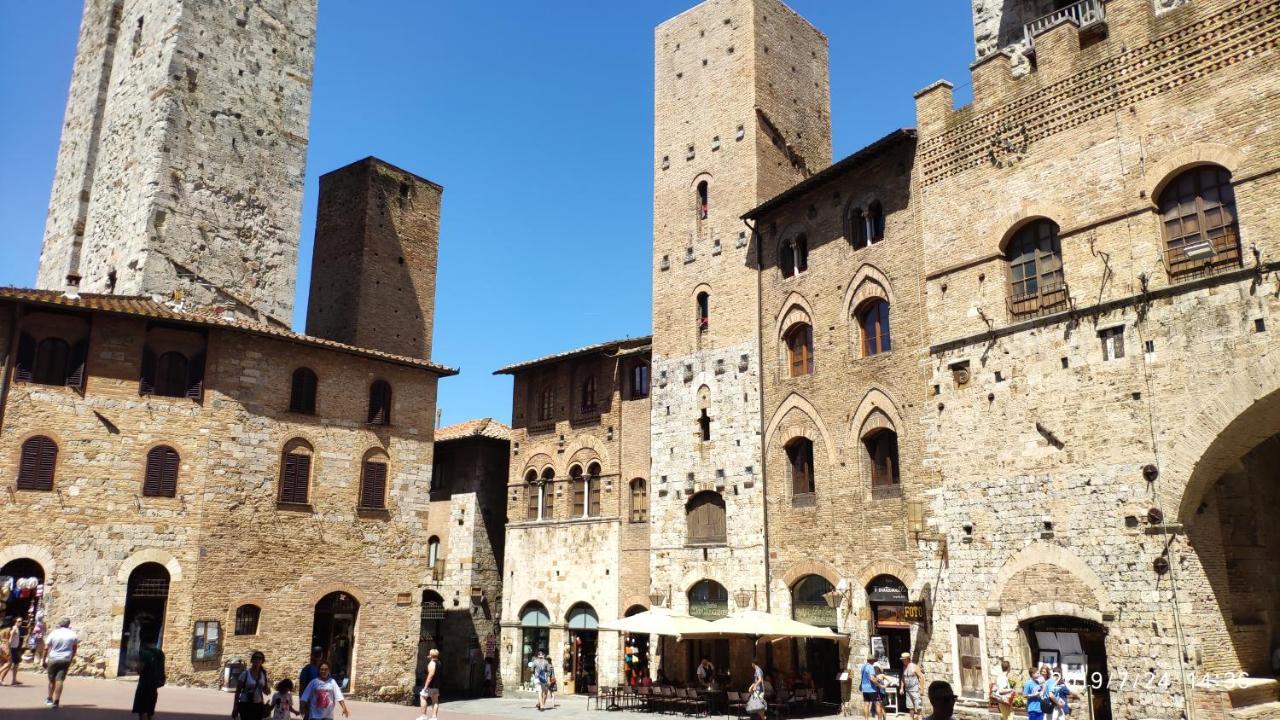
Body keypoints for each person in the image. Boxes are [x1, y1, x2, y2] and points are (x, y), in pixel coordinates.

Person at [40, 617, 77, 709]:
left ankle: (49, 698)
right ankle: (57, 701)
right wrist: (71, 658)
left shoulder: (54, 633)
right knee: (60, 680)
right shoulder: (73, 634)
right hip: (65, 659)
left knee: (51, 680)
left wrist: (44, 659)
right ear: (68, 624)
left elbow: (46, 647)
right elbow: (75, 648)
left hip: (53, 658)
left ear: (60, 624)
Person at [132, 638, 166, 720]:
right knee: (150, 711)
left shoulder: (145, 653)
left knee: (142, 710)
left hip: (144, 684)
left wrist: (134, 666)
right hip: (154, 684)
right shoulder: (160, 653)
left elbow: (140, 670)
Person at [233, 651, 270, 720]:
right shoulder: (245, 674)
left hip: (258, 704)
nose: (257, 659)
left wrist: (267, 690)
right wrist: (235, 707)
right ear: (252, 660)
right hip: (245, 704)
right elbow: (237, 692)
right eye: (255, 658)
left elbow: (265, 691)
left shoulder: (263, 674)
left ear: (262, 661)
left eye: (260, 658)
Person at [298, 647, 324, 718]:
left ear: (321, 656)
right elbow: (302, 686)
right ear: (312, 655)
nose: (317, 657)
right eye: (316, 654)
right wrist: (302, 702)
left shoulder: (323, 670)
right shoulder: (307, 669)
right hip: (309, 700)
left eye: (319, 654)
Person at [417, 648, 441, 720]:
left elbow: (431, 675)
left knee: (423, 697)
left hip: (430, 685)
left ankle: (423, 715)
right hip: (436, 685)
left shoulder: (432, 663)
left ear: (431, 655)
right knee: (435, 701)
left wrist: (425, 686)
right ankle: (434, 717)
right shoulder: (439, 662)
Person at [901, 652, 925, 720]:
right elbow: (903, 677)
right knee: (910, 707)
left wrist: (922, 689)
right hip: (908, 690)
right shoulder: (904, 667)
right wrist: (901, 688)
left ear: (908, 659)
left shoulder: (914, 666)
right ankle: (911, 718)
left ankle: (919, 718)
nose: (902, 661)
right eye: (902, 659)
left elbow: (921, 677)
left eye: (903, 659)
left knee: (918, 708)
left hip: (915, 690)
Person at [859, 652, 882, 720]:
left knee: (866, 704)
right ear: (871, 660)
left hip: (864, 688)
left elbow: (865, 677)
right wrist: (878, 684)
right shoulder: (871, 667)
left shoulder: (863, 666)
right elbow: (871, 678)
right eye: (873, 661)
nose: (874, 662)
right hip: (872, 689)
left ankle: (866, 719)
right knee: (877, 704)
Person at [2, 617, 23, 685]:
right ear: (15, 622)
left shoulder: (17, 628)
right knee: (9, 663)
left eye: (21, 621)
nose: (20, 622)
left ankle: (14, 680)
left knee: (16, 664)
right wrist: (9, 648)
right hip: (12, 648)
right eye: (19, 621)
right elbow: (10, 638)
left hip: (16, 648)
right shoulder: (14, 628)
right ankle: (1, 679)